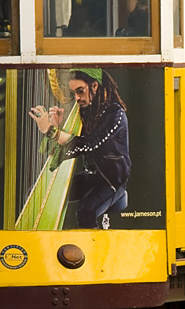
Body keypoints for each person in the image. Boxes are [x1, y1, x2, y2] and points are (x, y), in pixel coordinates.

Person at [29, 68, 131, 228]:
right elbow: (54, 152)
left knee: (86, 210)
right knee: (35, 192)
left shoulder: (115, 114)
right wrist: (58, 125)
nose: (76, 98)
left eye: (80, 91)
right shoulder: (86, 111)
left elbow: (89, 144)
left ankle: (93, 250)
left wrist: (50, 130)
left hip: (111, 180)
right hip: (91, 177)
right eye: (74, 93)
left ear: (95, 86)